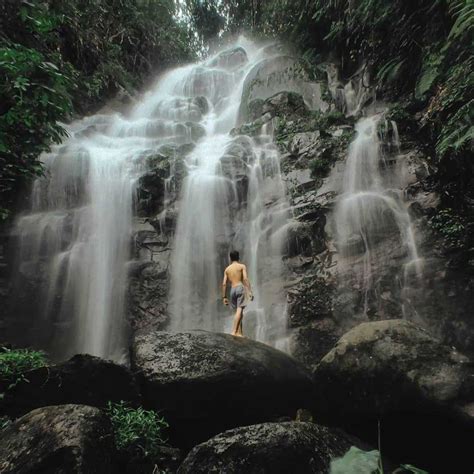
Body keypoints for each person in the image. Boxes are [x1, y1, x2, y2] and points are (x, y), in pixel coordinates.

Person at [222, 250, 253, 337]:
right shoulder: (241, 266)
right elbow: (245, 279)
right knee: (240, 310)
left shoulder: (227, 269)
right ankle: (234, 331)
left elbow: (224, 283)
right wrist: (250, 291)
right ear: (238, 257)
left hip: (232, 290)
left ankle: (240, 333)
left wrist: (224, 297)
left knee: (238, 312)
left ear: (230, 258)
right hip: (240, 287)